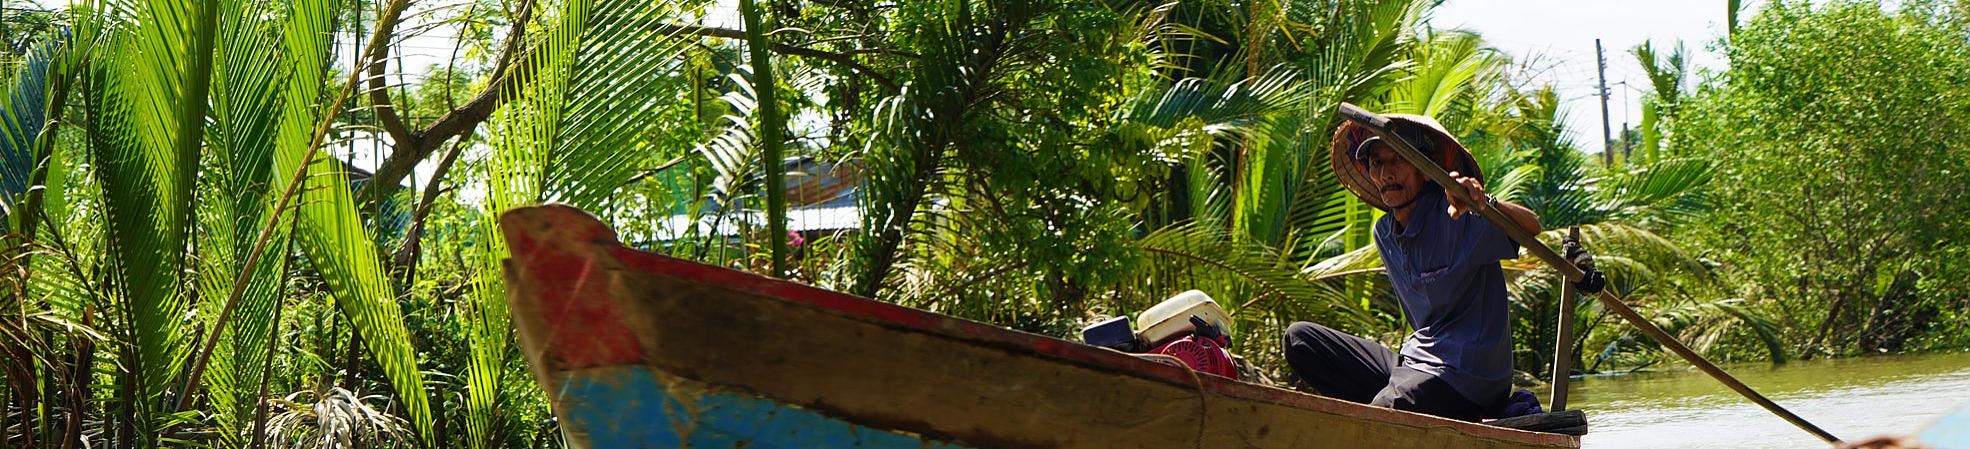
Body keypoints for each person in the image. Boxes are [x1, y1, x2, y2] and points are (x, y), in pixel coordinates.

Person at [1282, 115, 1543, 422]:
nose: (1386, 173)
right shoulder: (1384, 233)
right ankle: (1390, 411)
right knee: (1299, 340)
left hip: (1469, 376)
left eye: (1399, 160)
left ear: (1424, 170)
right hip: (1418, 362)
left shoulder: (1457, 216)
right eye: (1377, 163)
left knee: (1388, 408)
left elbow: (1532, 227)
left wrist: (1483, 203)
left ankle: (1388, 414)